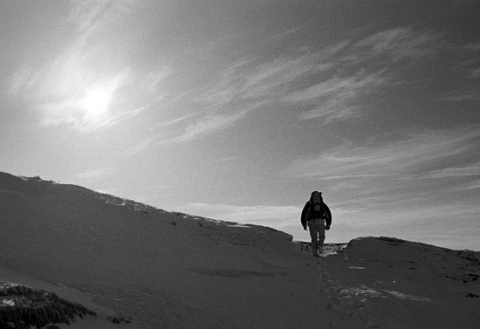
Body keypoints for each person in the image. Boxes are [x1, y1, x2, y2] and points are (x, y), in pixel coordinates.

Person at [301, 191, 332, 257]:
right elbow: (328, 214)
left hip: (312, 223)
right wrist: (328, 223)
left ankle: (315, 251)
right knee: (321, 236)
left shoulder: (309, 204)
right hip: (320, 222)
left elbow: (304, 214)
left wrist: (304, 223)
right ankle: (319, 247)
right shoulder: (322, 205)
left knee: (314, 238)